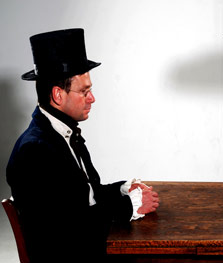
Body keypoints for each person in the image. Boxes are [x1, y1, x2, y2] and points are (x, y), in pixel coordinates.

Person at [6, 28, 159, 262]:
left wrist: (122, 188)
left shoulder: (62, 133)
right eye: (84, 91)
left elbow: (84, 195)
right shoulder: (36, 151)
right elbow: (72, 227)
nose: (92, 98)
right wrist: (130, 206)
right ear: (58, 95)